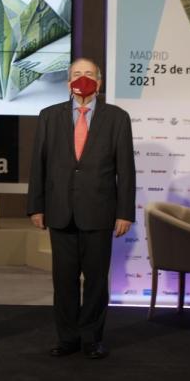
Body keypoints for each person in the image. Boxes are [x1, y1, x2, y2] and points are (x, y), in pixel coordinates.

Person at [27, 57, 136, 360]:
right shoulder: (49, 115)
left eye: (89, 74)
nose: (82, 79)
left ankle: (92, 338)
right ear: (67, 83)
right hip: (60, 210)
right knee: (64, 280)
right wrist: (36, 207)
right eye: (76, 74)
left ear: (99, 83)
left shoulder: (117, 118)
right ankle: (68, 338)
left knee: (97, 281)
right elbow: (39, 165)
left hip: (100, 211)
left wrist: (125, 212)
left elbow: (126, 169)